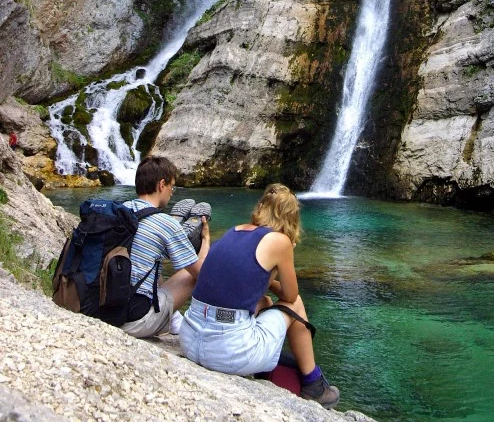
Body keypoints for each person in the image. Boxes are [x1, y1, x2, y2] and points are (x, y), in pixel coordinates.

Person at [179, 183, 339, 408]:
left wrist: (267, 276)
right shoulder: (280, 241)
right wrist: (277, 270)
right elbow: (291, 296)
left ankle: (266, 370)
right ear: (291, 217)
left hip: (190, 339)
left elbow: (241, 287)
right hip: (226, 352)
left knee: (263, 302)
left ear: (261, 206)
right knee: (296, 305)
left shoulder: (233, 231)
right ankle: (314, 385)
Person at [121, 156, 210, 338]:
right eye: (172, 187)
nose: (171, 192)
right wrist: (206, 240)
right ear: (162, 185)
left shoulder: (118, 209)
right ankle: (174, 321)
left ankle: (174, 319)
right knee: (191, 273)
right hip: (133, 322)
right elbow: (201, 274)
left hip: (98, 308)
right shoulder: (166, 223)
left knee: (153, 261)